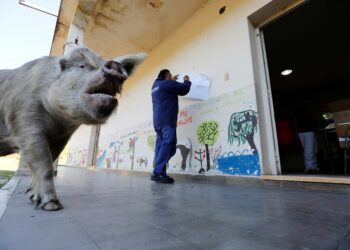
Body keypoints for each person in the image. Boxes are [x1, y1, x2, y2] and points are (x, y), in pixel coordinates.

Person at [151, 69, 191, 183]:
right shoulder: (167, 84)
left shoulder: (155, 86)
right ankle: (157, 172)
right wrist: (186, 81)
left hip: (158, 122)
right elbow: (184, 89)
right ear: (167, 76)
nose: (171, 77)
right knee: (169, 145)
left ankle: (160, 173)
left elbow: (166, 87)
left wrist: (171, 81)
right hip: (167, 120)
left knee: (160, 146)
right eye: (170, 76)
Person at [295, 99, 319, 174]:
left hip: (306, 130)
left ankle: (313, 167)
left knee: (312, 150)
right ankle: (310, 168)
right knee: (309, 150)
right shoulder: (305, 110)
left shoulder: (302, 109)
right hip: (307, 131)